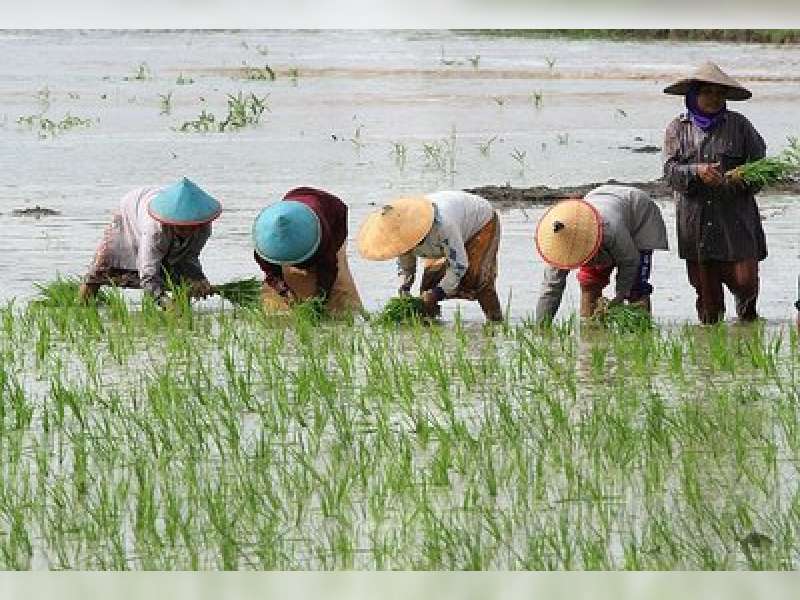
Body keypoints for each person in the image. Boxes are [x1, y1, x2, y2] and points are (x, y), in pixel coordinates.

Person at [663, 61, 767, 324]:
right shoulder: (678, 128)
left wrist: (740, 177)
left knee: (746, 284)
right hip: (696, 222)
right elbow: (669, 173)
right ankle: (711, 356)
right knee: (708, 303)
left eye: (719, 93)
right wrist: (696, 171)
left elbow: (762, 168)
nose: (713, 98)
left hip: (736, 218)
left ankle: (748, 324)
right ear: (693, 95)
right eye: (707, 92)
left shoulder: (740, 125)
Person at [357, 190, 503, 322]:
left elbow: (459, 265)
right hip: (444, 236)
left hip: (480, 224)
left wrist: (438, 293)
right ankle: (430, 327)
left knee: (478, 280)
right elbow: (405, 262)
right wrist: (405, 287)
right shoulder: (402, 234)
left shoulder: (443, 226)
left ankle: (496, 323)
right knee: (429, 284)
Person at [534, 185, 668, 322]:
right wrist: (541, 327)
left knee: (636, 288)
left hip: (638, 213)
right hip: (602, 208)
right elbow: (551, 287)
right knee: (589, 283)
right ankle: (591, 332)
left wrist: (618, 299)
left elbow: (629, 262)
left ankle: (641, 334)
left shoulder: (610, 230)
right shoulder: (559, 247)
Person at [79, 177, 221, 304]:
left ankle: (181, 311)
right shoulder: (155, 230)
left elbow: (189, 257)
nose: (187, 231)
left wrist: (198, 279)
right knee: (102, 267)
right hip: (131, 211)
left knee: (182, 275)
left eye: (191, 227)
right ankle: (82, 305)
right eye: (181, 227)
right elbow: (148, 274)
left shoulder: (203, 227)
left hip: (155, 203)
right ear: (170, 222)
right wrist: (164, 302)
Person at [252, 187, 363, 315]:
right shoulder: (264, 242)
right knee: (281, 289)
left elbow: (329, 270)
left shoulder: (323, 238)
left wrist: (319, 302)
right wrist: (284, 291)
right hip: (293, 205)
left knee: (338, 282)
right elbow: (271, 272)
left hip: (332, 214)